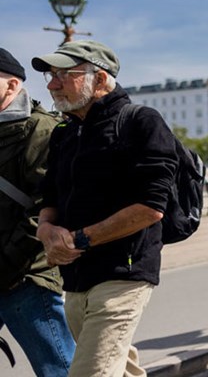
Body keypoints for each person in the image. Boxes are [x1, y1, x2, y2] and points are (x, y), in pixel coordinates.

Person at [32, 41, 178, 377]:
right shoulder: (65, 132)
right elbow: (48, 196)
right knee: (119, 369)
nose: (53, 84)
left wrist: (80, 240)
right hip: (77, 276)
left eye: (64, 75)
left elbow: (151, 207)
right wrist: (46, 230)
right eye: (51, 76)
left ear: (99, 80)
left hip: (123, 274)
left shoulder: (141, 122)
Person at [0, 48, 75, 376]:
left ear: (12, 85)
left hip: (26, 276)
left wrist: (4, 263)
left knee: (59, 369)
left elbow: (45, 208)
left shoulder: (41, 129)